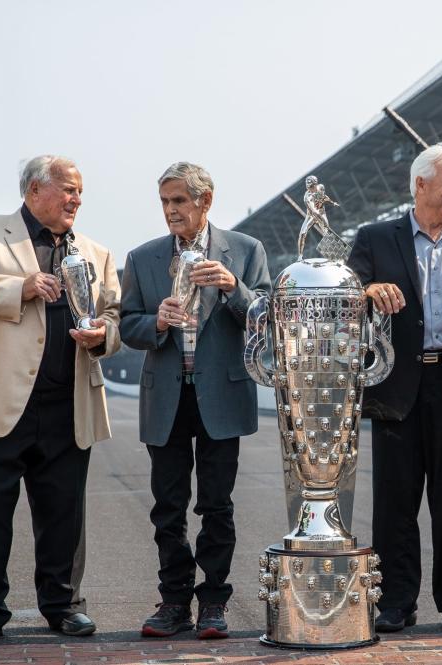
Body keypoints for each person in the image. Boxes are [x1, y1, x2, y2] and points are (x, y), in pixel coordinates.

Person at [0, 155, 122, 645]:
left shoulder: (96, 253)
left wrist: (103, 335)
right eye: (69, 190)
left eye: (80, 192)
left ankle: (63, 606)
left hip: (68, 402)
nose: (77, 199)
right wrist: (19, 287)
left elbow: (115, 316)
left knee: (64, 513)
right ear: (36, 190)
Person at [347, 143, 442, 634]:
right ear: (421, 185)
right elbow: (346, 302)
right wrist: (367, 292)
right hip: (396, 384)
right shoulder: (375, 238)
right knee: (395, 499)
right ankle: (395, 599)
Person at [120, 162, 270, 639]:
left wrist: (233, 287)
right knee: (167, 507)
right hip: (166, 397)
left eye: (179, 201)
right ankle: (173, 601)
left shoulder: (245, 251)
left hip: (220, 397)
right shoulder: (142, 258)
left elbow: (266, 316)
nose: (170, 211)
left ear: (206, 201)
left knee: (216, 506)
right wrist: (156, 322)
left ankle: (213, 603)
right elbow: (127, 325)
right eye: (164, 202)